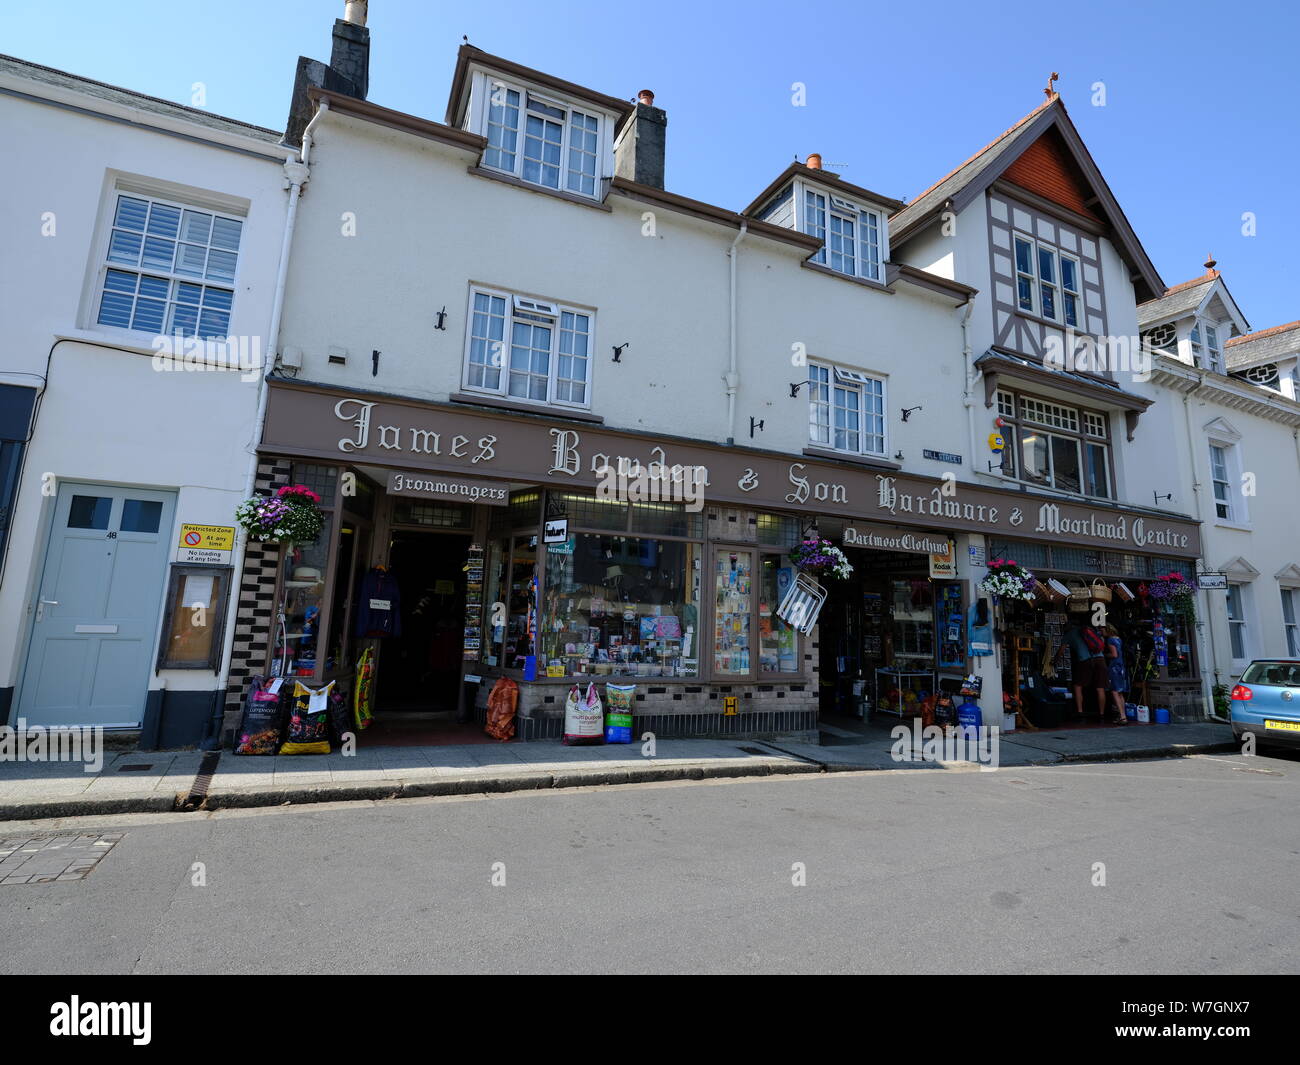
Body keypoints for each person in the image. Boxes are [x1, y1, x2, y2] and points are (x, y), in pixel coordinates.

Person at [1057, 619, 1107, 719]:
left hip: (1085, 660)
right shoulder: (1089, 630)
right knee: (1100, 687)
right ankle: (1102, 714)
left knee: (1078, 686)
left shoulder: (1068, 634)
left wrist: (1054, 661)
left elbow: (1061, 651)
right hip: (1100, 659)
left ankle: (1080, 712)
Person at [1104, 624, 1129, 725]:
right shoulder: (1118, 639)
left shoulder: (1110, 640)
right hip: (1121, 666)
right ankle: (1123, 715)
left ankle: (1122, 717)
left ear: (1107, 630)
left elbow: (1114, 654)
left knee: (1114, 691)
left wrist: (1105, 654)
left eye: (1102, 630)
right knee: (1120, 692)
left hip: (1115, 667)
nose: (1101, 632)